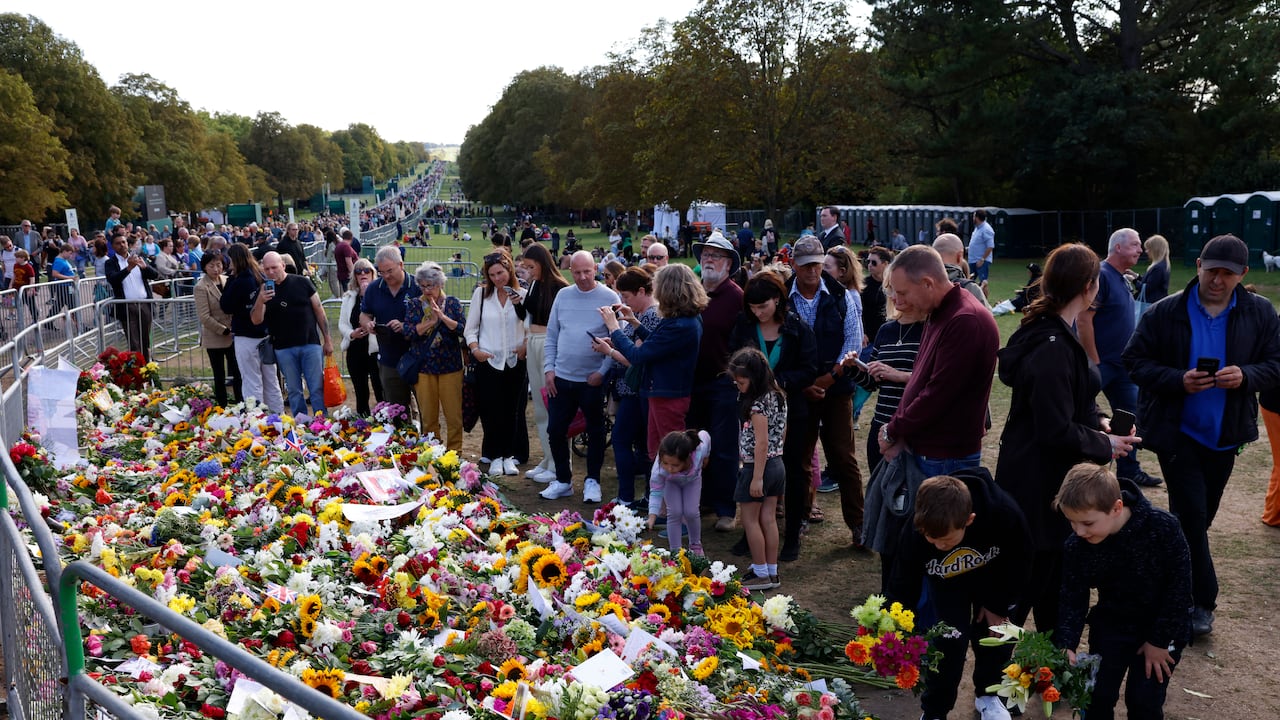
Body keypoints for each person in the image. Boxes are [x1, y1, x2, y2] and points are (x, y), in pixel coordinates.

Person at [1123, 234, 1280, 636]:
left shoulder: (1260, 312)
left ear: (1243, 274)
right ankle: (1200, 602)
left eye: (1228, 273)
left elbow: (1276, 363)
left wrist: (1246, 375)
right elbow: (1134, 361)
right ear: (1198, 266)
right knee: (1192, 516)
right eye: (1212, 270)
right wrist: (1178, 380)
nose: (1217, 280)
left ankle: (1161, 573)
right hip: (1177, 433)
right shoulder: (1166, 311)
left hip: (1225, 435)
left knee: (1197, 518)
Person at [995, 243, 1137, 635]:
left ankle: (1052, 660)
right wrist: (1105, 445)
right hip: (1038, 482)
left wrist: (1101, 422)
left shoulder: (1061, 331)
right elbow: (1054, 427)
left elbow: (1076, 401)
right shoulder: (1052, 345)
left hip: (1052, 478)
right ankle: (1000, 666)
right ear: (1090, 286)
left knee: (1056, 585)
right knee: (1027, 586)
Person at [1054, 464, 1192, 720]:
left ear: (1116, 508)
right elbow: (1072, 597)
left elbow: (1180, 590)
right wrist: (1067, 644)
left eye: (1087, 523)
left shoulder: (1163, 527)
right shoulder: (1077, 545)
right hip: (1112, 624)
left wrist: (1160, 641)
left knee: (1144, 702)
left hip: (1161, 629)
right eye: (1071, 521)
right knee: (1096, 697)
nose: (1079, 531)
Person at [889, 472, 1031, 720]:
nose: (939, 546)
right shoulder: (914, 532)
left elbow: (1021, 560)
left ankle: (989, 695)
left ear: (969, 520)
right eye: (931, 539)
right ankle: (935, 710)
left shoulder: (1003, 512)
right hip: (948, 584)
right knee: (948, 641)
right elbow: (903, 580)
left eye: (946, 540)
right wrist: (895, 622)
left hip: (993, 577)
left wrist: (999, 605)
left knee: (996, 636)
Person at [878, 246, 999, 477]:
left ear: (927, 283)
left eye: (903, 293)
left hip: (945, 456)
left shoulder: (965, 320)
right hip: (931, 449)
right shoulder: (940, 311)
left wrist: (892, 431)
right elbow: (920, 378)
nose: (897, 300)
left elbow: (937, 394)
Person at [727, 271, 819, 555]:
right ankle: (750, 535)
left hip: (790, 412)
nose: (758, 312)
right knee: (752, 468)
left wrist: (778, 383)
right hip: (751, 411)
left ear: (777, 299)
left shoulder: (797, 328)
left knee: (793, 470)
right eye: (752, 307)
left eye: (763, 306)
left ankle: (792, 536)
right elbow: (733, 358)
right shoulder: (744, 325)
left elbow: (810, 369)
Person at [785, 236, 863, 557]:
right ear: (794, 265)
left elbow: (853, 343)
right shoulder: (782, 297)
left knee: (843, 458)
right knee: (798, 459)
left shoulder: (842, 296)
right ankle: (800, 517)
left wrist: (828, 378)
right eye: (805, 265)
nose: (812, 270)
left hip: (836, 390)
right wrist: (804, 383)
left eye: (817, 264)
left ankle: (858, 524)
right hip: (798, 392)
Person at [1076, 228, 1162, 488]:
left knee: (1130, 415)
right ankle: (1078, 471)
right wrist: (1093, 360)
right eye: (1135, 244)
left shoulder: (1121, 277)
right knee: (1081, 412)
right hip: (1101, 365)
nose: (1140, 250)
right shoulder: (1101, 275)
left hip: (1121, 366)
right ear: (1118, 248)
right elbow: (1083, 318)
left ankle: (1128, 471)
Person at [598, 264, 706, 458]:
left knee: (669, 454)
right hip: (666, 393)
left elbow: (638, 356)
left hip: (668, 396)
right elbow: (659, 345)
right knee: (657, 451)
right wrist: (635, 323)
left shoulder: (680, 324)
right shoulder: (685, 319)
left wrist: (614, 328)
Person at [541, 251, 619, 503]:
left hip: (592, 380)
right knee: (555, 430)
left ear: (596, 269)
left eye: (587, 271)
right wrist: (549, 369)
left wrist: (602, 372)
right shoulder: (563, 296)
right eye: (577, 272)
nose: (583, 277)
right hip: (562, 377)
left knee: (596, 431)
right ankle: (563, 480)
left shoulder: (609, 297)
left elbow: (618, 338)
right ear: (570, 271)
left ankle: (592, 480)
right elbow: (552, 335)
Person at [688, 232, 746, 531]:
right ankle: (704, 499)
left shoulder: (737, 297)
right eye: (706, 255)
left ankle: (726, 509)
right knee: (696, 444)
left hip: (724, 382)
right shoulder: (693, 292)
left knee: (724, 447)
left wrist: (738, 377)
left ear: (729, 264)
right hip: (692, 380)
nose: (709, 260)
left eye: (716, 255)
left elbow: (746, 342)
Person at [594, 266, 660, 505]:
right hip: (634, 390)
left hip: (636, 390)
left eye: (626, 296)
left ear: (642, 291)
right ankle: (644, 497)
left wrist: (609, 350)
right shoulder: (641, 314)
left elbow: (636, 358)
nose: (623, 301)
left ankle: (627, 497)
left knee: (623, 439)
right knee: (641, 444)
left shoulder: (650, 315)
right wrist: (614, 343)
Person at [728, 347, 788, 591]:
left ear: (754, 378)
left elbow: (761, 443)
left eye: (741, 382)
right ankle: (771, 570)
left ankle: (761, 572)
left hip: (758, 467)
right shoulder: (779, 396)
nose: (738, 386)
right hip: (777, 464)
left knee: (750, 520)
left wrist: (757, 477)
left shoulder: (757, 406)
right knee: (768, 518)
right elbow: (781, 433)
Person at [465, 251, 529, 477]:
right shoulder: (481, 295)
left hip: (514, 361)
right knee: (491, 410)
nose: (497, 278)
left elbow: (530, 325)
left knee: (512, 410)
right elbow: (470, 329)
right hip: (488, 361)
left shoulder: (523, 294)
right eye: (492, 275)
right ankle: (494, 456)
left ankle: (509, 455)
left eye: (500, 273)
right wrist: (476, 350)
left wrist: (525, 346)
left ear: (509, 269)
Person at [251, 252, 333, 419]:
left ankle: (321, 422)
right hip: (283, 348)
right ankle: (301, 422)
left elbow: (319, 310)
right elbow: (256, 320)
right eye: (267, 269)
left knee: (316, 387)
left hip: (310, 343)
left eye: (274, 267)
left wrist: (328, 340)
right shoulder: (263, 290)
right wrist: (260, 300)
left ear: (283, 265)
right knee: (294, 390)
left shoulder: (302, 282)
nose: (271, 272)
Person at [514, 243, 570, 482]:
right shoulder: (535, 284)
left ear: (542, 263)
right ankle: (548, 459)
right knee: (539, 406)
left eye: (531, 266)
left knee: (552, 406)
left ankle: (559, 463)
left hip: (550, 343)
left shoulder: (559, 287)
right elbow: (528, 314)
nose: (528, 271)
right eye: (525, 267)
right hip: (534, 341)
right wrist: (517, 302)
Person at [404, 262, 467, 452]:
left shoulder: (453, 303)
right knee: (428, 416)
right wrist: (430, 322)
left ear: (440, 284)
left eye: (430, 285)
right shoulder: (415, 304)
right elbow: (408, 332)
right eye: (422, 286)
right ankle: (433, 451)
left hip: (451, 366)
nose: (426, 290)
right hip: (424, 368)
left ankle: (455, 452)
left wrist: (442, 318)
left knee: (453, 415)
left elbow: (463, 329)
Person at [219, 244, 283, 412]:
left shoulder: (239, 280)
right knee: (270, 380)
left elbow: (225, 305)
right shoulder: (259, 276)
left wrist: (230, 279)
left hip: (246, 335)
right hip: (264, 334)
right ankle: (278, 415)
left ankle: (256, 417)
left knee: (251, 380)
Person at [360, 247, 421, 411]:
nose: (386, 276)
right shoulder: (374, 288)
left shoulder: (417, 286)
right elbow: (364, 314)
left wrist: (405, 326)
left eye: (390, 271)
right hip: (389, 359)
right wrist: (368, 324)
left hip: (419, 358)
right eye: (381, 272)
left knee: (426, 411)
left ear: (401, 264)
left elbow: (431, 319)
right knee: (396, 412)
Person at [647, 430, 712, 557]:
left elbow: (705, 435)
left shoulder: (699, 450)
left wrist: (707, 455)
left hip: (692, 481)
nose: (670, 468)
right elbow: (655, 492)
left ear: (687, 459)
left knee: (691, 512)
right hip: (671, 483)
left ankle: (695, 546)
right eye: (666, 463)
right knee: (674, 513)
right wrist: (652, 516)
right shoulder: (659, 470)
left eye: (675, 465)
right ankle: (675, 552)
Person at [194, 251, 242, 406]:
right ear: (204, 267)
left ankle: (241, 403)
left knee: (238, 372)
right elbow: (204, 316)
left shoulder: (228, 280)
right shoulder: (201, 287)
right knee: (219, 374)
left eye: (219, 265)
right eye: (211, 266)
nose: (216, 269)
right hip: (215, 337)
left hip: (233, 335)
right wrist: (224, 330)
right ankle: (222, 405)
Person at [338, 259, 383, 415]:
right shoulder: (349, 297)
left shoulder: (380, 294)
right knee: (360, 391)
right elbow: (342, 323)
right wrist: (351, 334)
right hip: (355, 349)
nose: (363, 274)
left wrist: (368, 294)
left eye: (366, 271)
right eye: (358, 271)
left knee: (380, 389)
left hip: (376, 349)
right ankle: (363, 422)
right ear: (355, 276)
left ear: (373, 273)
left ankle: (384, 422)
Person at [104, 234, 159, 360]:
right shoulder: (110, 263)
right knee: (134, 341)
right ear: (113, 246)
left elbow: (155, 275)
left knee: (145, 339)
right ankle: (137, 367)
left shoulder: (138, 258)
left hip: (144, 304)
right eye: (118, 243)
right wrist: (128, 268)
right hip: (127, 307)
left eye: (124, 242)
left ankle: (147, 366)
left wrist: (145, 267)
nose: (122, 245)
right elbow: (113, 280)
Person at [1136, 234, 1170, 304]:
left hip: (1152, 304)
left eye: (1148, 249)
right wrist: (1136, 276)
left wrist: (1133, 280)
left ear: (1155, 250)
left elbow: (1146, 289)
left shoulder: (1158, 268)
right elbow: (1151, 282)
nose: (1146, 251)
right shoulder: (1162, 265)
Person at [968, 209, 995, 284]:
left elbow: (990, 246)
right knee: (969, 282)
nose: (973, 218)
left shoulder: (986, 229)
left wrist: (982, 259)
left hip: (981, 261)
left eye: (974, 216)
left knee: (983, 282)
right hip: (973, 260)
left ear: (977, 218)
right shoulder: (977, 228)